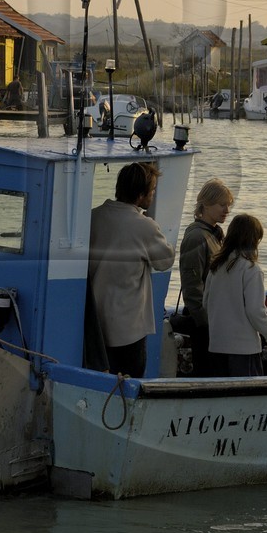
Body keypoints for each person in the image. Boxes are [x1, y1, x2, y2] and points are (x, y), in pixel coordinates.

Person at [87, 161, 176, 377]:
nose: (153, 194)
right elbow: (165, 260)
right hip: (128, 328)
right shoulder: (144, 226)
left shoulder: (93, 216)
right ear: (140, 195)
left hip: (94, 325)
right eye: (152, 190)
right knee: (130, 383)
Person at [203, 213, 267, 378]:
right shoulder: (251, 269)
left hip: (217, 345)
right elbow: (255, 311)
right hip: (243, 350)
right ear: (255, 240)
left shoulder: (216, 266)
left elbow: (206, 303)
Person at [177, 179, 234, 376]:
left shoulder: (214, 234)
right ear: (206, 204)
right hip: (205, 322)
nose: (227, 209)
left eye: (228, 205)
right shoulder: (197, 236)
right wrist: (205, 322)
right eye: (222, 204)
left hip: (215, 317)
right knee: (208, 371)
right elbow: (191, 285)